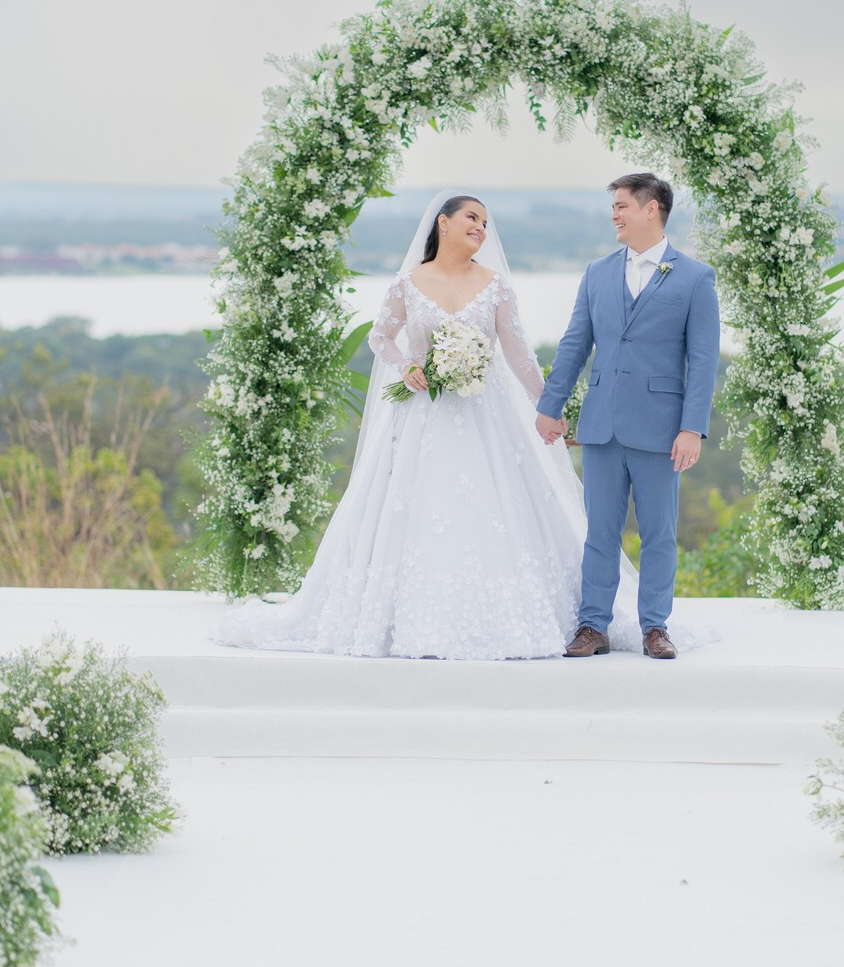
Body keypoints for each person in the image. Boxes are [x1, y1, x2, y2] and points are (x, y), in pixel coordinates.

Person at [211, 190, 639, 659]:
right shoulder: (409, 282)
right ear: (443, 223)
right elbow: (379, 337)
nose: (480, 227)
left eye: (485, 222)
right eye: (472, 217)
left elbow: (518, 357)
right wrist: (406, 366)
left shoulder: (495, 285)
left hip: (486, 418)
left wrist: (549, 407)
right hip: (421, 415)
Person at [536, 173, 720, 659]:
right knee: (599, 531)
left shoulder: (696, 277)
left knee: (659, 532)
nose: (613, 214)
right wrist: (549, 406)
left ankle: (655, 628)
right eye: (612, 206)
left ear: (652, 208)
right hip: (601, 425)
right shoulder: (597, 272)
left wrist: (692, 427)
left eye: (621, 206)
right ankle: (592, 626)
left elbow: (703, 359)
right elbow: (575, 343)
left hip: (663, 429)